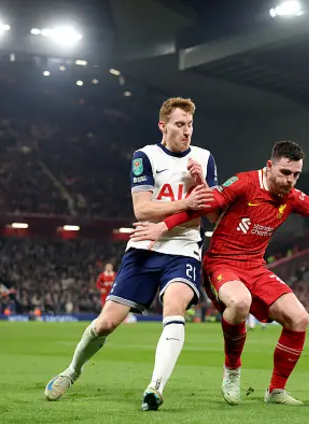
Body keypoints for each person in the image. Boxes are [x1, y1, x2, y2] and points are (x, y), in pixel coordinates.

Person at [130, 141, 309, 405]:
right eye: (284, 173)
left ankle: (276, 391)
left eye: (296, 175)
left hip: (256, 267)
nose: (290, 180)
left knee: (299, 318)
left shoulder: (292, 198)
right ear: (269, 167)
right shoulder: (244, 183)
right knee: (239, 302)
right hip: (222, 263)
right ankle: (232, 371)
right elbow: (203, 204)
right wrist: (163, 226)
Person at [44, 97, 218, 411]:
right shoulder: (145, 156)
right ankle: (72, 371)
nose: (187, 131)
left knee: (175, 305)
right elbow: (142, 209)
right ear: (163, 126)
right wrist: (188, 203)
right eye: (180, 124)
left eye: (190, 125)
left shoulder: (205, 158)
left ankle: (155, 388)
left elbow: (216, 217)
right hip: (144, 248)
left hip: (184, 249)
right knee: (106, 324)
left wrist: (202, 183)